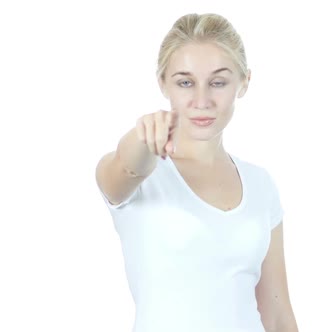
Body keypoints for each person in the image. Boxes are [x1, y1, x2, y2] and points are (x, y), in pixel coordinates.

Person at [95, 13, 298, 332]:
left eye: (218, 82)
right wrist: (143, 137)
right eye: (185, 82)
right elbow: (125, 166)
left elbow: (277, 315)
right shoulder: (141, 177)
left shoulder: (261, 185)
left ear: (243, 82)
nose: (202, 100)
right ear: (163, 83)